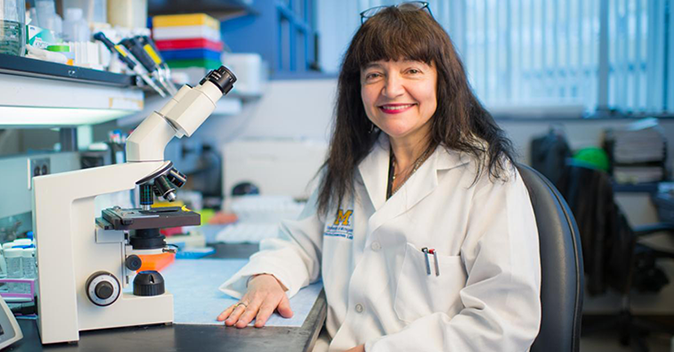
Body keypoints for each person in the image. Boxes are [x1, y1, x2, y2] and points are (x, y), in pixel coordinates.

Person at [216, 2, 542, 351]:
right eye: (374, 74)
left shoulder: (486, 177)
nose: (391, 88)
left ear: (442, 81)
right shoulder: (349, 163)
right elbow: (303, 241)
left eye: (412, 71)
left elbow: (503, 323)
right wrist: (269, 276)